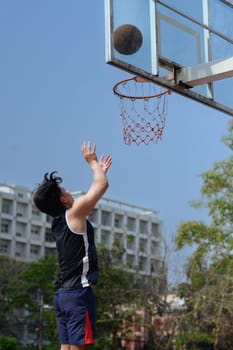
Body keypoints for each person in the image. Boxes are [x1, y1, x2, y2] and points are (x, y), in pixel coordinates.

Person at [33, 142, 112, 350]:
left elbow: (96, 186)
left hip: (62, 296)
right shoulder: (73, 213)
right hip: (78, 294)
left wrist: (99, 172)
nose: (70, 192)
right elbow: (101, 186)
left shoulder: (58, 221)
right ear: (63, 199)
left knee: (66, 348)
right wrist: (92, 162)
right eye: (66, 190)